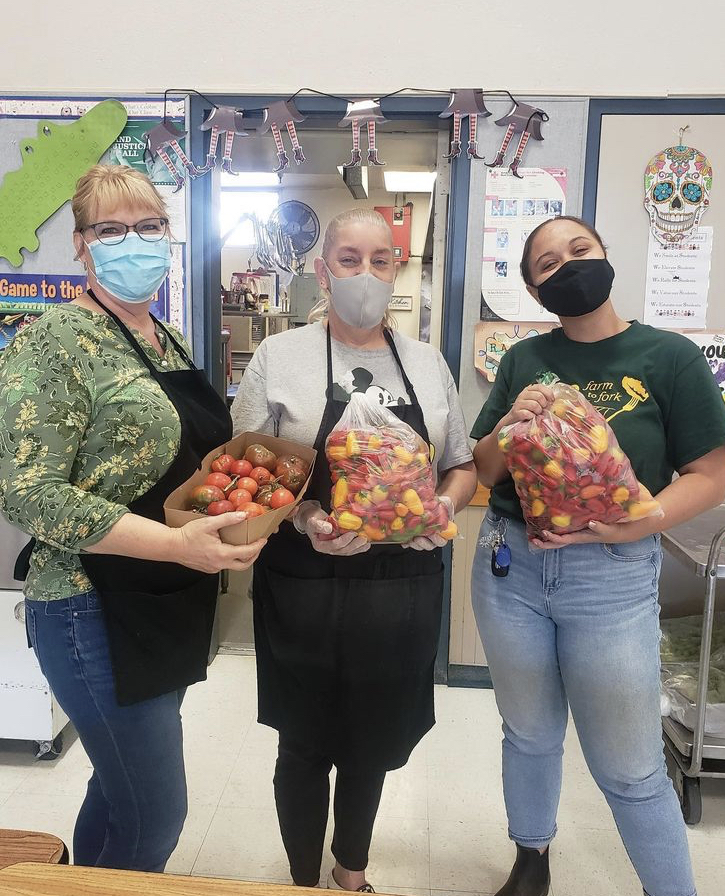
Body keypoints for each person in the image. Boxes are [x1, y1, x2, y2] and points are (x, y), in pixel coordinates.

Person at [0, 165, 266, 872]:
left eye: (148, 226)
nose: (133, 242)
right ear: (82, 246)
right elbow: (29, 493)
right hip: (90, 606)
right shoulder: (53, 339)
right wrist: (175, 544)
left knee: (116, 790)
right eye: (111, 230)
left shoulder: (162, 340)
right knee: (154, 816)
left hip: (161, 599)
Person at [470, 215, 725, 896]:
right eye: (548, 264)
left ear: (605, 256)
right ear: (536, 291)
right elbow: (486, 469)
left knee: (629, 765)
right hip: (512, 569)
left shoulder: (668, 357)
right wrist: (509, 420)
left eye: (579, 251)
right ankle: (531, 858)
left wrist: (636, 525)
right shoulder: (523, 360)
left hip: (613, 578)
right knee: (528, 731)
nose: (568, 267)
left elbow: (708, 476)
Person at [232, 208, 476, 891]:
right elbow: (246, 470)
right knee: (304, 742)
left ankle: (351, 872)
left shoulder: (427, 364)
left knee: (372, 742)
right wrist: (305, 514)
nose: (364, 273)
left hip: (401, 585)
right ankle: (304, 880)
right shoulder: (281, 358)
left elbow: (459, 464)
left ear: (396, 270)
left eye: (380, 259)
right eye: (348, 259)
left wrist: (442, 506)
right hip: (304, 581)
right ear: (322, 268)